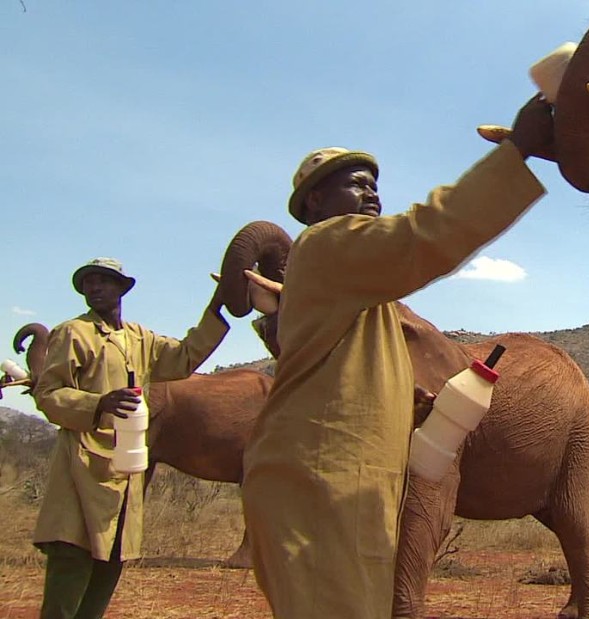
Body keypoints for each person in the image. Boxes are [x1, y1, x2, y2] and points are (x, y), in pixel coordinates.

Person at [241, 95, 555, 618]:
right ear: (314, 203)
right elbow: (423, 238)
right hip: (320, 487)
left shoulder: (362, 294)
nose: (372, 192)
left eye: (374, 184)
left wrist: (402, 406)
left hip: (347, 489)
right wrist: (516, 153)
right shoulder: (325, 244)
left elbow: (341, 377)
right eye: (355, 183)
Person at [32, 257, 230, 619]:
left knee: (109, 567)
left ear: (122, 288)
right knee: (71, 565)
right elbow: (48, 394)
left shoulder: (142, 339)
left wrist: (218, 303)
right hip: (82, 467)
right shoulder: (72, 333)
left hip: (125, 469)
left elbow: (186, 357)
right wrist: (98, 403)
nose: (95, 288)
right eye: (88, 283)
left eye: (104, 281)